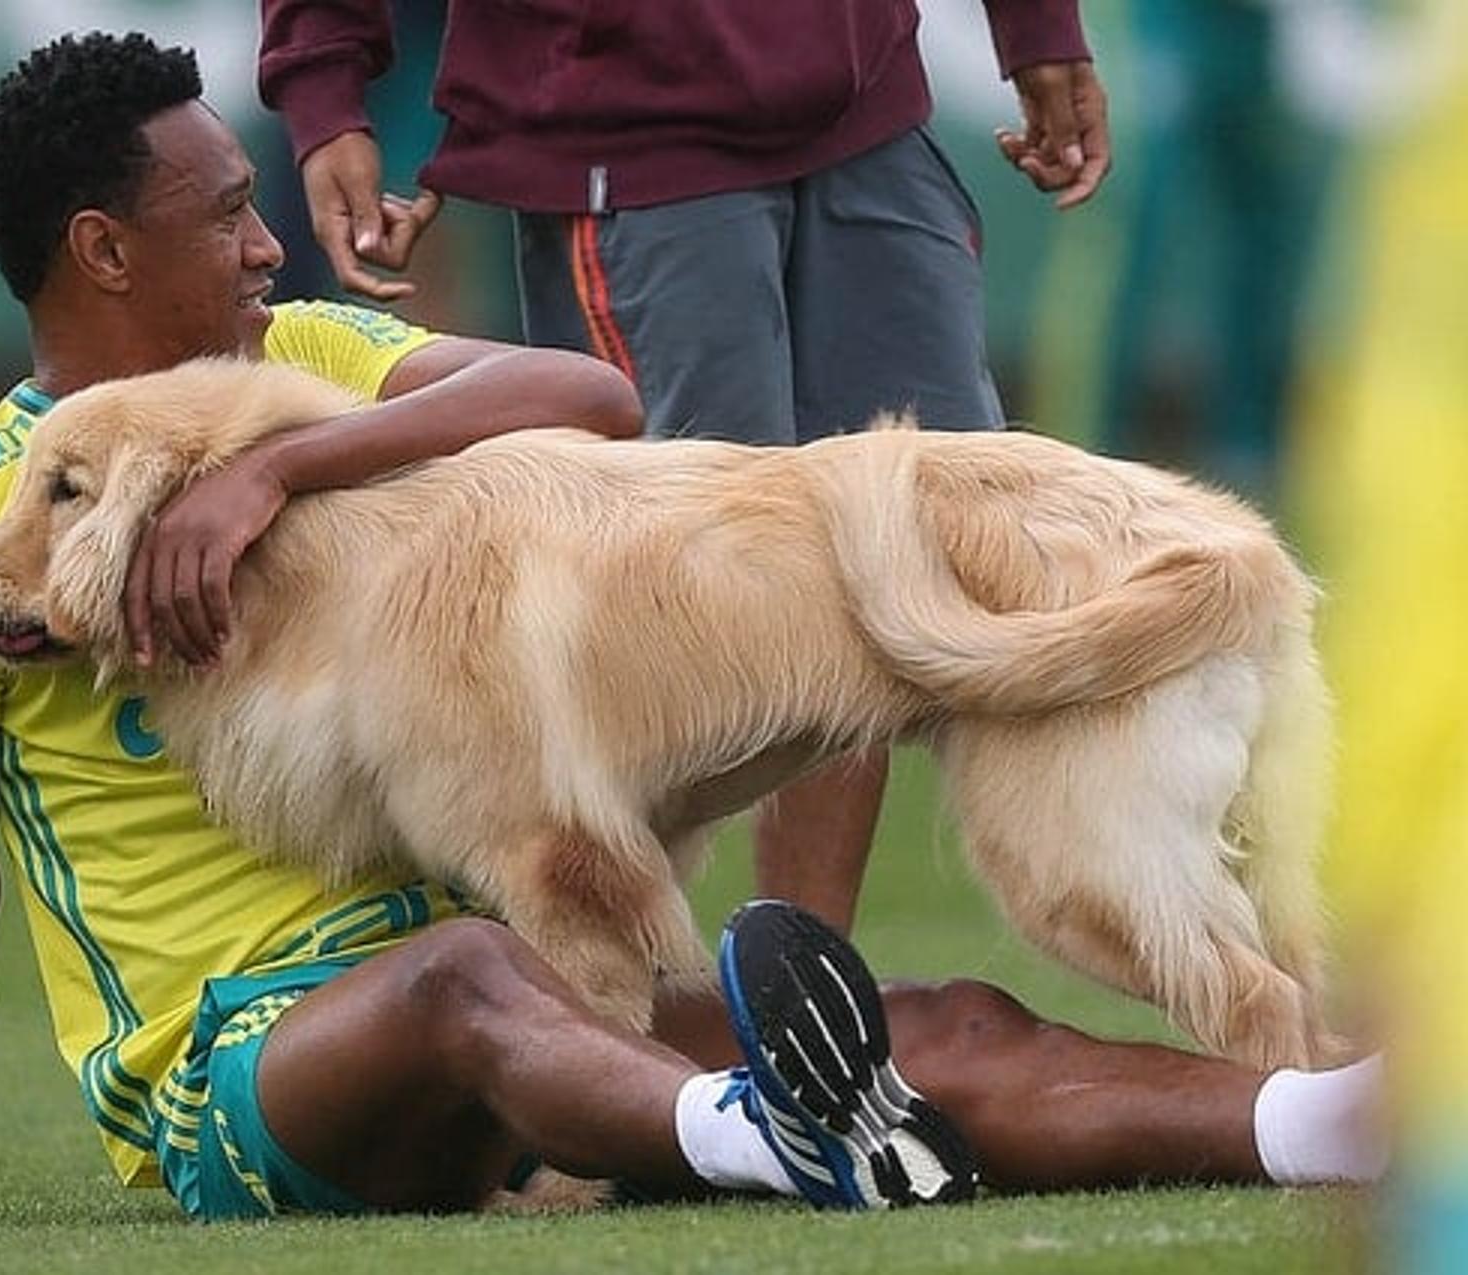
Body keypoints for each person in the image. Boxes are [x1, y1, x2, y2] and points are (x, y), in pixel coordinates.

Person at [0, 33, 1378, 1229]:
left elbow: (587, 396)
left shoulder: (301, 361)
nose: (263, 238)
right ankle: (760, 1139)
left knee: (934, 1022)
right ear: (100, 246)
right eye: (227, 211)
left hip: (558, 1001)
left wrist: (268, 469)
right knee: (470, 972)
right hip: (255, 1070)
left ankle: (1328, 1117)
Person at [258, 0, 1113, 933]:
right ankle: (593, 1002)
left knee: (906, 547)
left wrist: (1037, 29)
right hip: (624, 128)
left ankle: (798, 999)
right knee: (669, 612)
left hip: (865, 96)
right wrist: (326, 91)